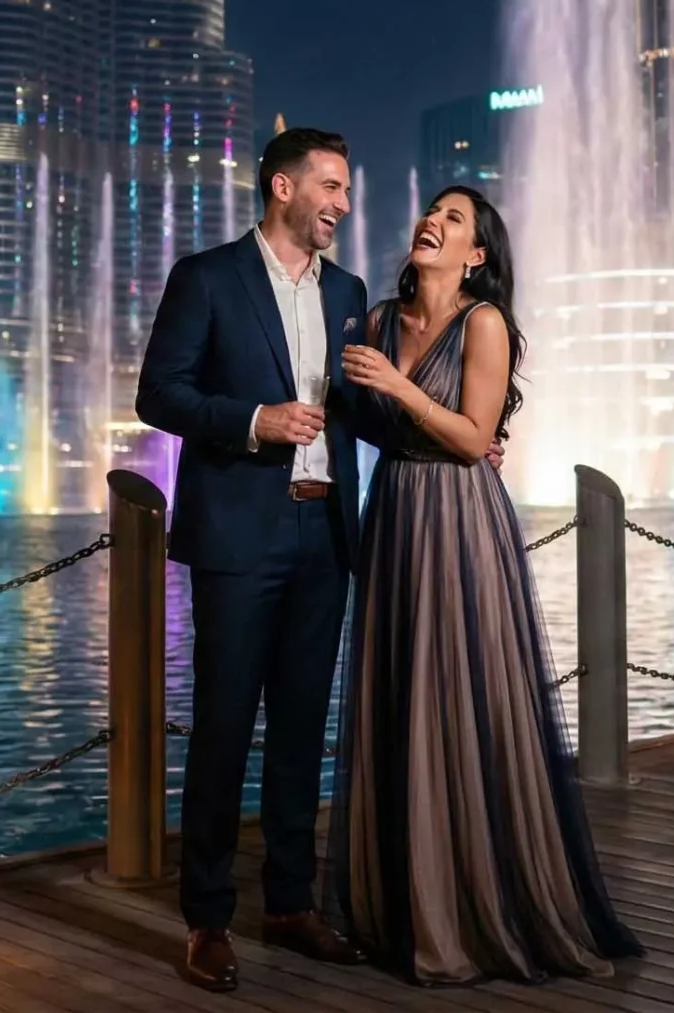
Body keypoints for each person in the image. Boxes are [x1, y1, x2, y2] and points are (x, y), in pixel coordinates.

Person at [329, 184, 642, 985]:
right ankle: (399, 903)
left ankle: (478, 904)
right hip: (395, 510)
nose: (434, 220)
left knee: (462, 696)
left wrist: (400, 389)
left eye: (455, 218)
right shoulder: (374, 323)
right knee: (401, 695)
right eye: (433, 210)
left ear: (476, 254)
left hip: (461, 519)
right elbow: (367, 425)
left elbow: (472, 439)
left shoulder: (484, 321)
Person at [135, 128, 371, 992]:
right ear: (283, 187)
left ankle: (290, 903)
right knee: (227, 728)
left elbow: (361, 408)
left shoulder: (348, 291)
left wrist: (465, 436)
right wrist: (254, 421)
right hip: (238, 537)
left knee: (303, 732)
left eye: (347, 190)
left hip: (324, 537)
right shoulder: (206, 276)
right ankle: (207, 918)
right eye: (333, 187)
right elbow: (158, 391)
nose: (344, 204)